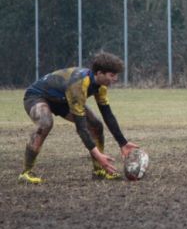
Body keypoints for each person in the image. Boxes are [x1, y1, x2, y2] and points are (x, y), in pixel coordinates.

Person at [19, 51, 139, 184]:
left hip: (62, 100)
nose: (115, 79)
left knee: (95, 125)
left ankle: (99, 171)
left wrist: (122, 143)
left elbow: (107, 114)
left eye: (116, 75)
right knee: (45, 123)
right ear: (99, 73)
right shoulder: (79, 84)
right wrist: (98, 155)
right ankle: (26, 173)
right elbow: (81, 127)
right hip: (37, 96)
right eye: (112, 75)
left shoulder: (101, 86)